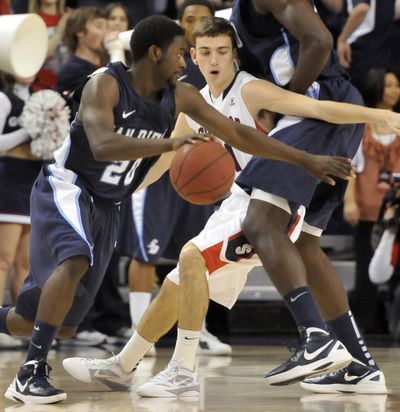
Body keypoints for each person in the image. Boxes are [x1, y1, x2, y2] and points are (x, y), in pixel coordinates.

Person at [0, 15, 349, 405]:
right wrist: (172, 145)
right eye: (181, 53)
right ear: (155, 52)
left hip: (109, 203)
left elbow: (238, 134)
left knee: (58, 324)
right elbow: (102, 145)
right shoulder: (106, 83)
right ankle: (30, 373)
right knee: (75, 260)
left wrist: (305, 160)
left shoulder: (180, 96)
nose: (186, 63)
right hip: (69, 188)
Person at [228, 0, 391, 393]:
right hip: (333, 108)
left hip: (315, 109)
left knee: (260, 222)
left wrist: (289, 101)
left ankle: (315, 339)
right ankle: (359, 366)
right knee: (304, 245)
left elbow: (318, 39)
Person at [343, 68, 400, 333]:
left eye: (396, 86)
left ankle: (393, 321)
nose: (394, 90)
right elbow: (352, 166)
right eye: (388, 85)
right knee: (365, 266)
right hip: (368, 203)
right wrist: (349, 201)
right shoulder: (361, 126)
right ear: (376, 87)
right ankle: (364, 323)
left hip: (396, 205)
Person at [0, 72, 43, 349]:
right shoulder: (3, 97)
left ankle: (21, 325)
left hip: (33, 183)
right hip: (8, 183)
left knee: (26, 264)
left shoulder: (42, 97)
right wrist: (27, 132)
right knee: (3, 259)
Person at [336, 0, 395, 93]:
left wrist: (342, 39)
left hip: (360, 52)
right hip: (380, 54)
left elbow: (362, 8)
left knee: (355, 101)